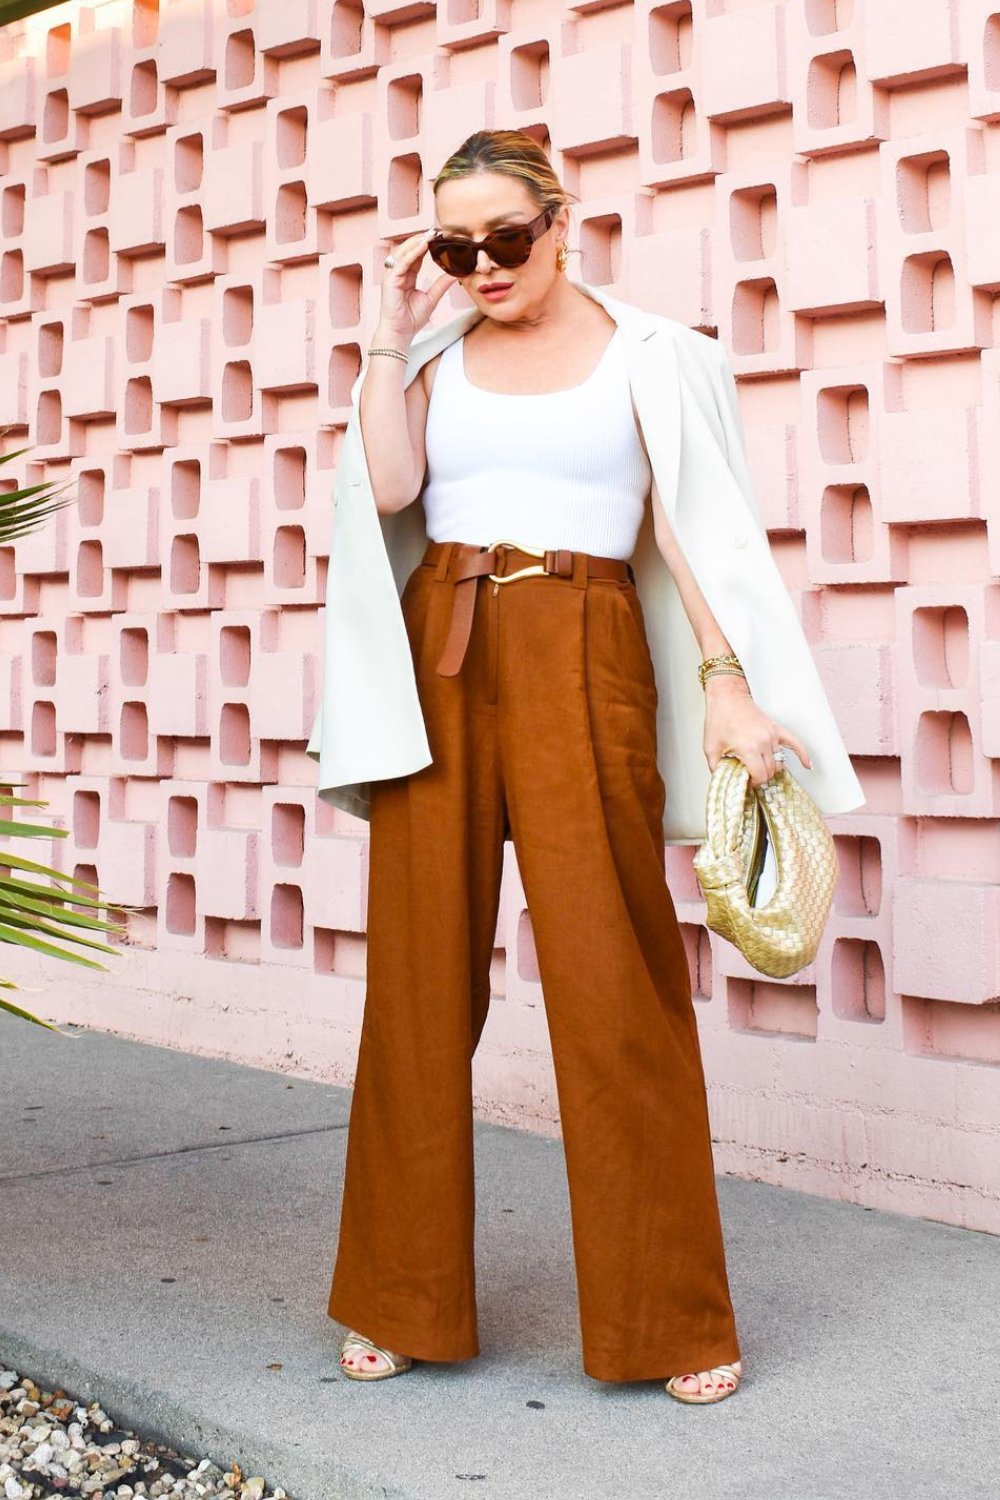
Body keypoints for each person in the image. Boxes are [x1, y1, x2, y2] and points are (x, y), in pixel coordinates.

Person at [310, 129, 864, 1404]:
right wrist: (390, 328)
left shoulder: (654, 356)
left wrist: (730, 689)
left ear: (565, 219)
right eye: (456, 248)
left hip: (587, 645)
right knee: (416, 987)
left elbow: (693, 532)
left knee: (617, 989)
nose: (484, 265)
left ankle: (669, 1317)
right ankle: (398, 1294)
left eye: (506, 237)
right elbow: (390, 487)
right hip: (443, 652)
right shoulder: (433, 356)